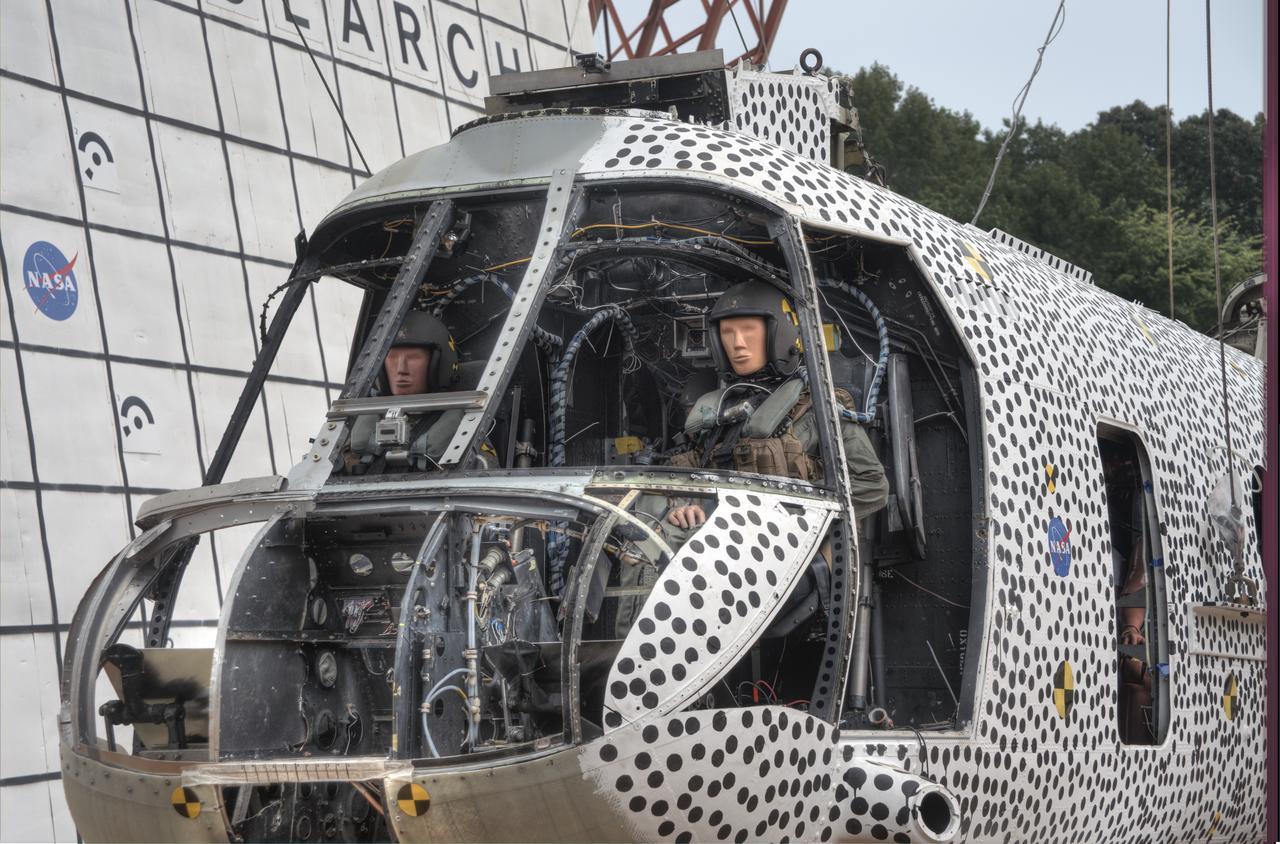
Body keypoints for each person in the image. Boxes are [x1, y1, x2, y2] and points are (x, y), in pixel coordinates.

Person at [664, 279, 889, 529]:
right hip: (719, 538)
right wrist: (680, 507)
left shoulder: (817, 408)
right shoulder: (716, 414)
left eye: (749, 330)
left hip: (788, 547)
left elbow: (871, 485)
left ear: (779, 333)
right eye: (727, 333)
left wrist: (791, 512)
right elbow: (682, 478)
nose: (737, 343)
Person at [346, 310, 473, 473]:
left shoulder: (466, 433)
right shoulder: (357, 429)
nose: (401, 369)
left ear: (439, 365)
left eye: (413, 358)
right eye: (392, 357)